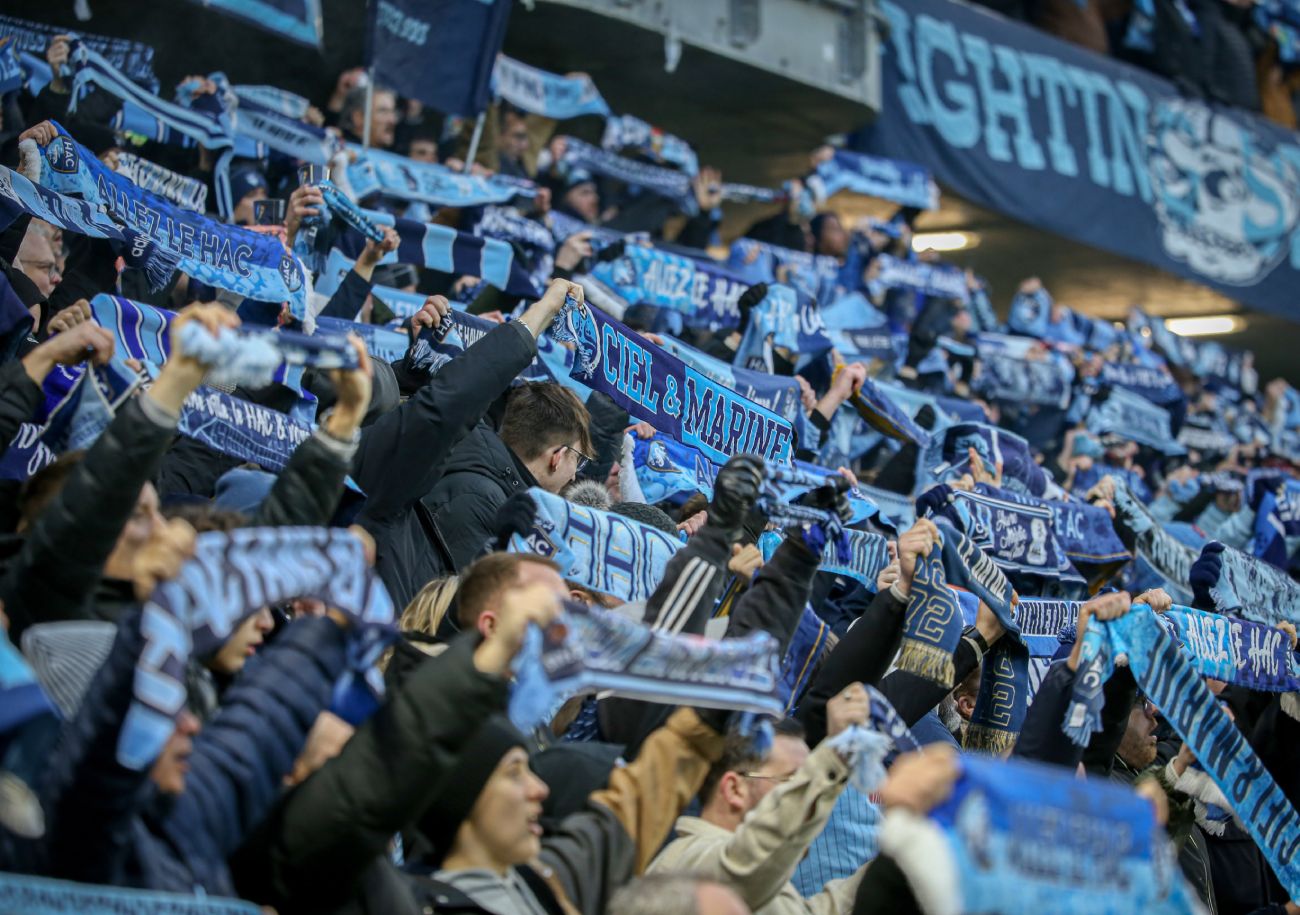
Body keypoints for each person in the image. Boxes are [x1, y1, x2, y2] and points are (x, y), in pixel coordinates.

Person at [648, 689, 871, 915]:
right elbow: (742, 870)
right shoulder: (685, 865)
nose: (806, 793)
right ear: (735, 789)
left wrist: (898, 859)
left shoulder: (766, 885)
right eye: (793, 780)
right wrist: (835, 756)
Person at [421, 381, 594, 572]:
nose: (573, 477)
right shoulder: (480, 499)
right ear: (557, 456)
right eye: (578, 459)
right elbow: (470, 596)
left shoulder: (491, 489)